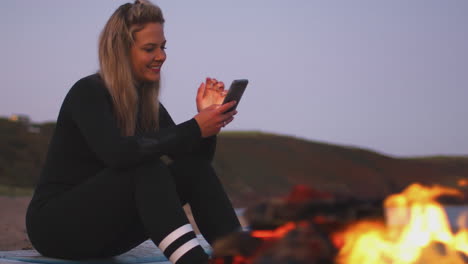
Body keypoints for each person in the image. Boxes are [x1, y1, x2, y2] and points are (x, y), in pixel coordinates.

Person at [25, 1, 241, 263]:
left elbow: (192, 164)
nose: (161, 56)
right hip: (57, 228)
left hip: (107, 235)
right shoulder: (88, 92)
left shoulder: (147, 105)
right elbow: (117, 153)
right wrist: (195, 127)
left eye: (163, 47)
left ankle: (240, 256)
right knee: (146, 167)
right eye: (150, 48)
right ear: (120, 51)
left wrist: (208, 128)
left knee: (193, 169)